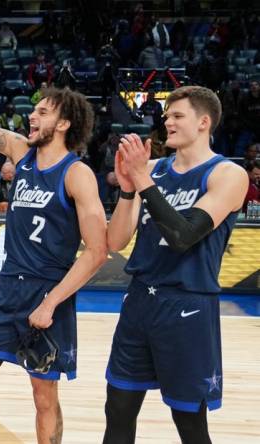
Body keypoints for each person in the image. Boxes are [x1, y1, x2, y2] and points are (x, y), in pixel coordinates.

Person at [0, 25, 108, 444]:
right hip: (7, 288)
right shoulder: (19, 151)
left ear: (64, 122)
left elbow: (98, 251)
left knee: (43, 394)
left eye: (43, 112)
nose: (32, 116)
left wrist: (51, 302)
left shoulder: (77, 174)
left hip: (48, 291)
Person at [103, 86, 249, 443]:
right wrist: (126, 190)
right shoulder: (152, 170)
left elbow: (184, 236)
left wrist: (141, 180)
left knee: (189, 421)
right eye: (166, 115)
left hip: (188, 307)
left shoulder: (227, 174)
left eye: (177, 115)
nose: (166, 120)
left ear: (203, 122)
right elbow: (116, 241)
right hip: (139, 301)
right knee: (118, 410)